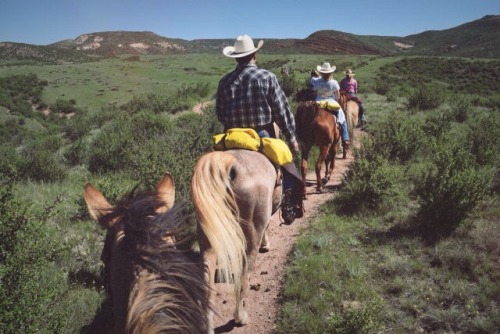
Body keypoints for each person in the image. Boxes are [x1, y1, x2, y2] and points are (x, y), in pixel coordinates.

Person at [216, 34, 303, 223]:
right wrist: (291, 137)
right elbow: (282, 111)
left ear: (236, 58)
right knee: (289, 166)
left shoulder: (224, 81)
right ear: (254, 55)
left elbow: (220, 115)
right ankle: (288, 203)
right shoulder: (267, 77)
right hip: (261, 135)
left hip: (231, 136)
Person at [310, 62, 350, 146]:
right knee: (342, 117)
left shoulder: (317, 81)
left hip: (318, 102)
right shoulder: (334, 82)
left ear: (321, 73)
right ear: (330, 73)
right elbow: (338, 96)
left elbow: (314, 93)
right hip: (331, 102)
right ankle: (345, 138)